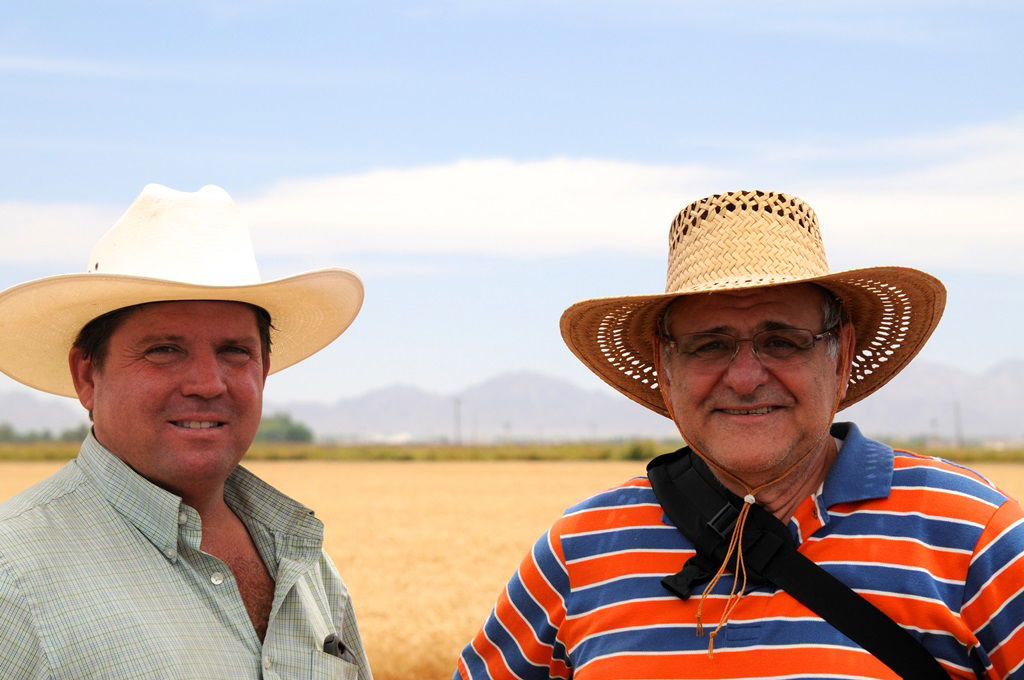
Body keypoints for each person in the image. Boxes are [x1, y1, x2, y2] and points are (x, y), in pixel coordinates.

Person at [454, 190, 1024, 679]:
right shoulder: (579, 551)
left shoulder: (977, 539)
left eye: (782, 341)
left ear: (841, 355)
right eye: (710, 345)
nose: (746, 378)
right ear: (665, 368)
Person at [0, 184, 373, 679]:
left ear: (263, 371)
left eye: (234, 351)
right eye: (164, 350)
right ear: (87, 375)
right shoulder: (12, 580)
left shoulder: (304, 562)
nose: (207, 383)